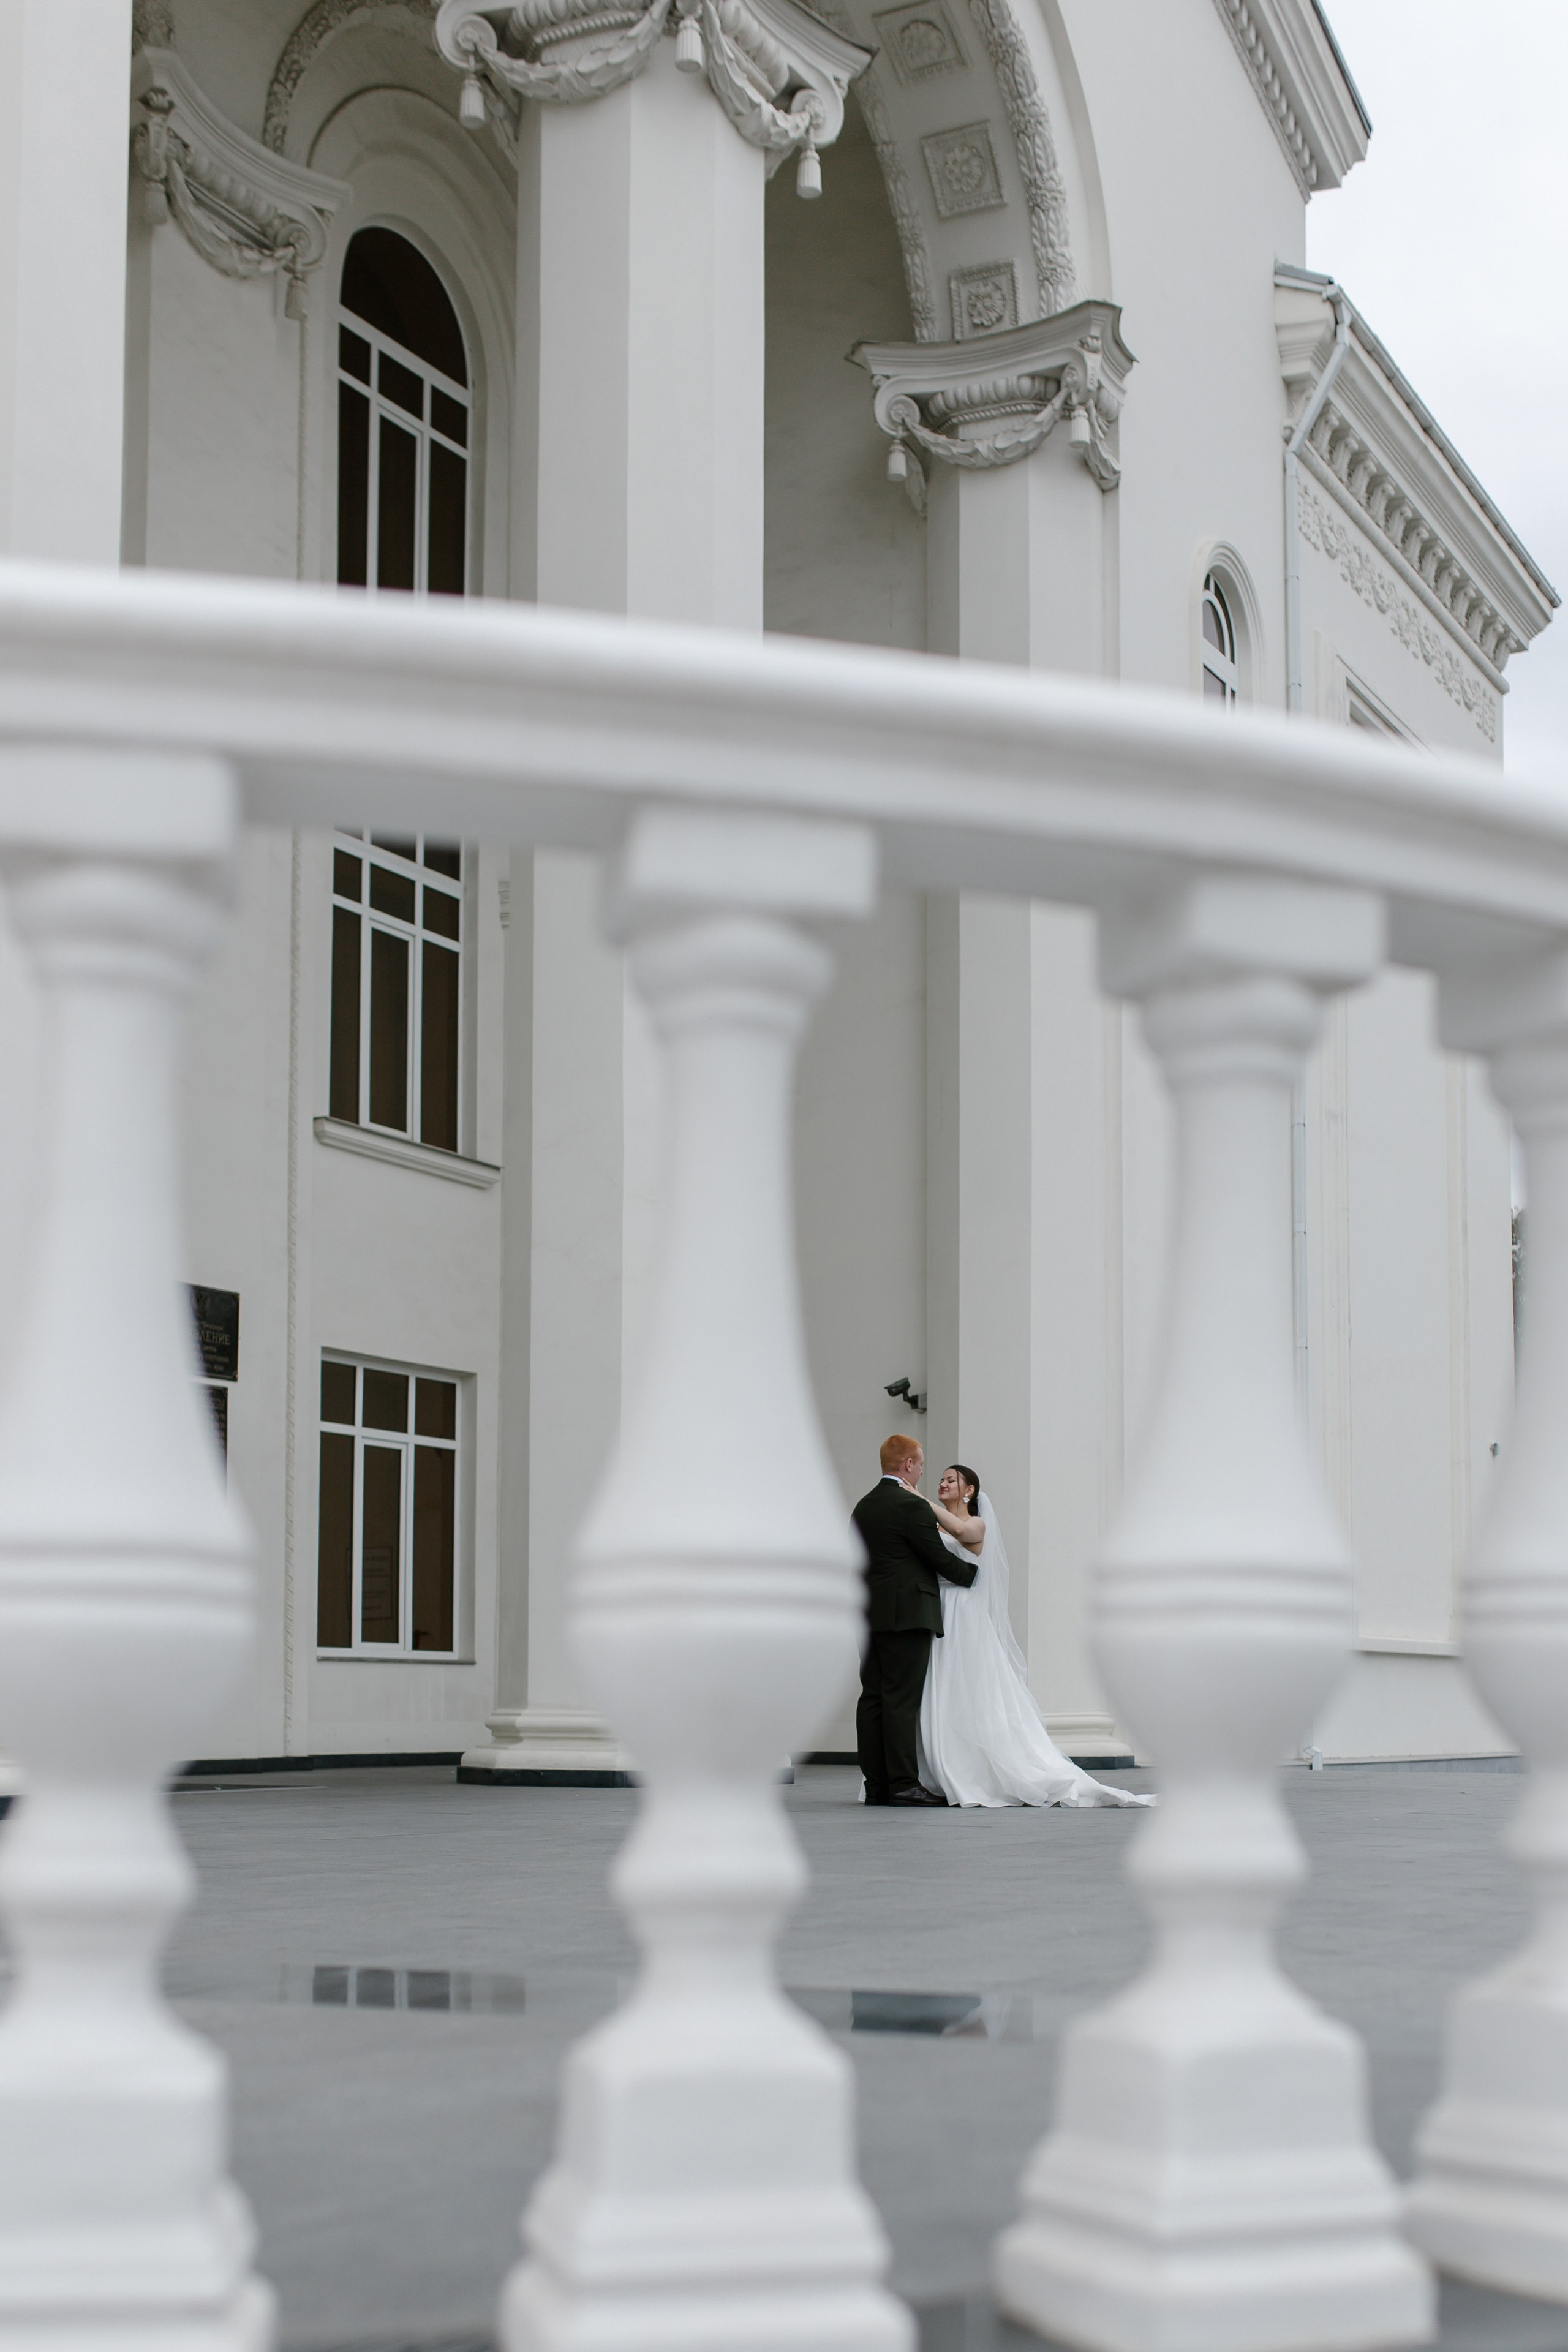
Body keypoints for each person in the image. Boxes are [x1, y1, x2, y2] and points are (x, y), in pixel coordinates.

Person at [917, 1464, 1154, 1809]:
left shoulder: (975, 1524)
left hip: (964, 1612)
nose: (942, 1484)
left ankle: (980, 1768)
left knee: (970, 1682)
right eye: (940, 1480)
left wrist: (918, 1499)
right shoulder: (937, 1522)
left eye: (951, 1480)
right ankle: (941, 1762)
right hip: (941, 1606)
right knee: (943, 1684)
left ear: (969, 1491)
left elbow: (957, 1530)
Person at [851, 1435, 977, 1806]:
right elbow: (937, 1557)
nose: (922, 1471)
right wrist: (974, 1576)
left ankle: (877, 1785)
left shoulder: (863, 1506)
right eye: (921, 1465)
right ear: (907, 1464)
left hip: (869, 1615)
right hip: (908, 1615)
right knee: (901, 1701)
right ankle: (904, 1784)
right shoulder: (910, 1505)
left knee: (872, 1698)